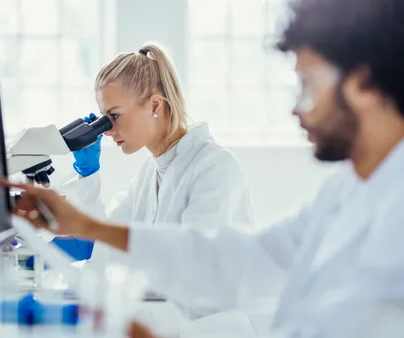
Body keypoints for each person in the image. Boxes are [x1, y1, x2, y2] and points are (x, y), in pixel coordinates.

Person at [3, 0, 404, 337]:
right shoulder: (352, 188)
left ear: (366, 85)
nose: (298, 110)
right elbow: (247, 257)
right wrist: (86, 225)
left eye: (309, 85)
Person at [50, 42, 255, 325]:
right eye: (103, 119)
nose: (107, 131)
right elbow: (104, 244)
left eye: (114, 116)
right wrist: (88, 173)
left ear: (155, 105)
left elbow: (190, 278)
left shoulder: (214, 168)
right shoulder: (151, 173)